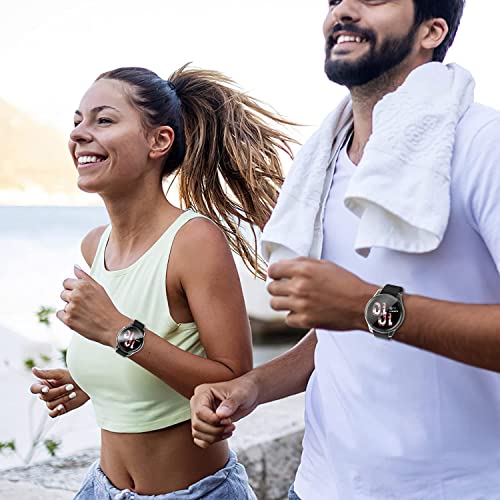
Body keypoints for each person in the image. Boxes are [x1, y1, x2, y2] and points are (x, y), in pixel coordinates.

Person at [190, 1, 500, 499]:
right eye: (334, 0)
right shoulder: (323, 163)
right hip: (317, 485)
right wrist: (255, 386)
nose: (344, 10)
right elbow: (341, 340)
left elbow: (361, 313)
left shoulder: (484, 144)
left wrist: (365, 306)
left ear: (432, 30)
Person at [29, 64, 295, 499]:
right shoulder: (95, 246)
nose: (78, 134)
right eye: (77, 121)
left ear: (159, 141)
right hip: (101, 488)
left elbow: (233, 382)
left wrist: (118, 331)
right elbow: (147, 358)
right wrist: (91, 379)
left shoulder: (193, 241)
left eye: (103, 120)